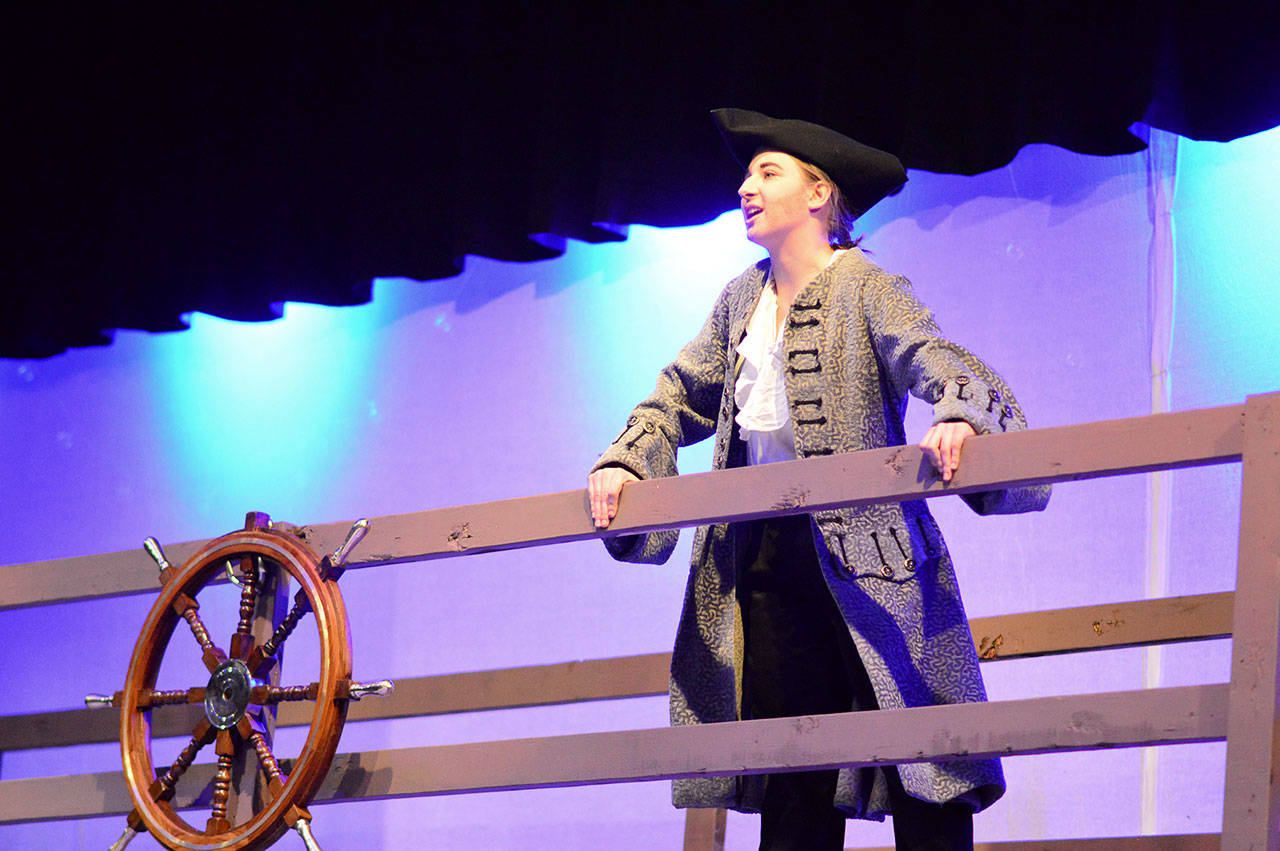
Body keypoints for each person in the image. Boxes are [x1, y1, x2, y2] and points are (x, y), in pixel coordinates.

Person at [587, 108, 1051, 850]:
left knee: (921, 758)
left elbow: (932, 357)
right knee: (793, 765)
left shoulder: (865, 284)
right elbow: (676, 394)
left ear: (817, 193)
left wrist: (960, 415)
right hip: (766, 559)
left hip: (874, 559)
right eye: (746, 174)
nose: (746, 186)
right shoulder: (740, 298)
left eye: (766, 172)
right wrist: (624, 460)